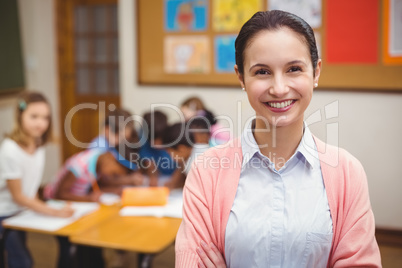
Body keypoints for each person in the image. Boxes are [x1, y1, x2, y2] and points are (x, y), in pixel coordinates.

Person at [175, 10, 381, 267]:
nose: (279, 88)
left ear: (316, 72)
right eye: (262, 72)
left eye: (294, 69)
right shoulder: (207, 172)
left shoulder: (347, 173)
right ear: (241, 77)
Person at [0, 91, 74, 268]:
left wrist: (55, 206)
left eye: (45, 118)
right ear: (20, 116)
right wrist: (53, 212)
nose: (40, 123)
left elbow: (30, 191)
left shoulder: (38, 143)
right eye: (34, 116)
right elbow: (19, 196)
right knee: (22, 261)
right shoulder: (10, 150)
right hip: (5, 214)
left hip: (21, 211)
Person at [162, 120, 209, 189]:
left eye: (170, 152)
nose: (171, 156)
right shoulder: (196, 149)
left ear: (182, 149)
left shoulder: (194, 164)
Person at [139, 110, 176, 186]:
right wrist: (153, 177)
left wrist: (174, 182)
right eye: (152, 140)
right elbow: (151, 166)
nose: (156, 144)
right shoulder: (144, 143)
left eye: (159, 140)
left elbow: (183, 166)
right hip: (162, 180)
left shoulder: (175, 138)